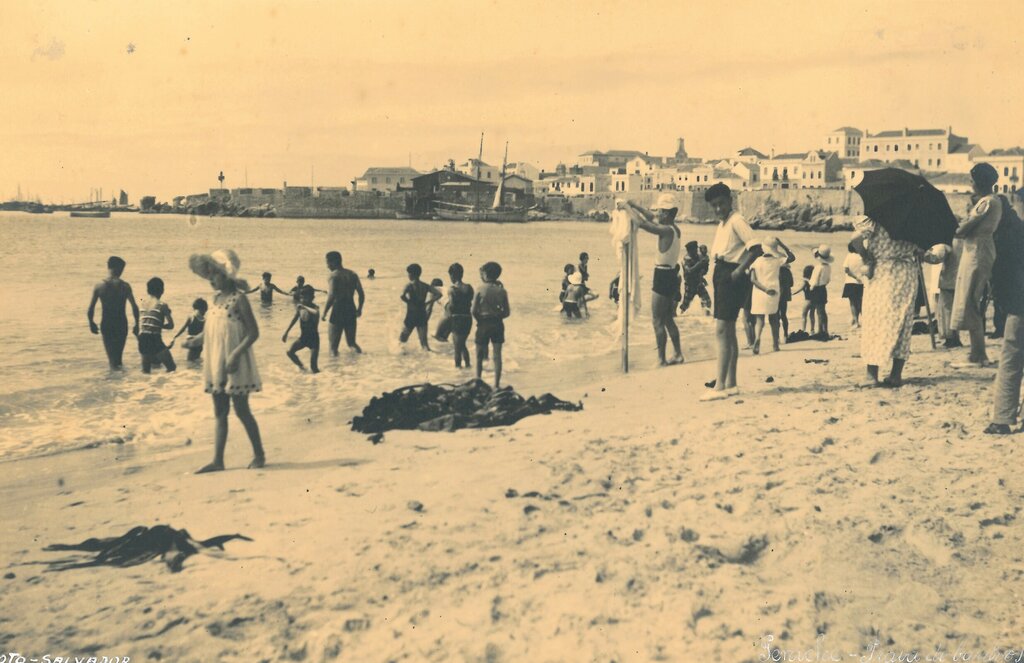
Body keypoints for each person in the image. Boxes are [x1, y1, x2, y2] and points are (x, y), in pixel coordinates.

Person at [187, 249, 266, 473]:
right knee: (219, 411)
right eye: (209, 274)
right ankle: (218, 460)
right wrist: (196, 340)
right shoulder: (214, 299)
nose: (211, 278)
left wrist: (235, 354)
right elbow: (213, 328)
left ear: (227, 276)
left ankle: (259, 454)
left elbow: (253, 332)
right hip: (216, 360)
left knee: (241, 410)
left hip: (235, 361)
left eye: (215, 274)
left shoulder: (239, 299)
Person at [849, 217, 941, 388]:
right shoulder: (916, 223)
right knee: (902, 322)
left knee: (876, 322)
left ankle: (872, 375)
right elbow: (925, 254)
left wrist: (865, 255)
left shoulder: (876, 219)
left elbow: (855, 239)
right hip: (906, 274)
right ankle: (895, 375)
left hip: (881, 272)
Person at [702, 183, 761, 400]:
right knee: (728, 331)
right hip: (722, 272)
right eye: (714, 206)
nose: (718, 209)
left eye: (721, 204)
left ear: (730, 200)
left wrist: (737, 272)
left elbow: (756, 248)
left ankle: (719, 387)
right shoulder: (724, 222)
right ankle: (731, 383)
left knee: (721, 330)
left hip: (730, 274)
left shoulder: (737, 220)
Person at [950, 162, 1003, 368]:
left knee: (971, 299)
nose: (970, 183)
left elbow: (964, 229)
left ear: (978, 181)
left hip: (978, 252)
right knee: (971, 299)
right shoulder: (990, 201)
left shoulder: (986, 203)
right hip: (976, 250)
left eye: (972, 179)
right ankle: (976, 352)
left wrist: (956, 224)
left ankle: (978, 354)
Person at [624, 193, 685, 366]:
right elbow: (651, 217)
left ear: (667, 213)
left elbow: (642, 223)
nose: (657, 213)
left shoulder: (665, 230)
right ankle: (678, 354)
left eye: (660, 211)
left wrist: (626, 208)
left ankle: (661, 359)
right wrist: (634, 205)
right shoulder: (674, 228)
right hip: (671, 274)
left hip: (663, 275)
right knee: (667, 319)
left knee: (657, 319)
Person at [984, 194, 1024, 434]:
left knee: (1010, 357)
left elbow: (1002, 271)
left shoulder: (1012, 232)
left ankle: (1002, 417)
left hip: (1019, 304)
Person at [87, 256, 140, 370]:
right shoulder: (125, 286)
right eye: (122, 269)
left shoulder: (99, 286)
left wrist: (91, 322)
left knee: (111, 359)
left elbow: (91, 308)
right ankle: (119, 381)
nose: (122, 272)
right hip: (121, 323)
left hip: (107, 323)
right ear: (118, 268)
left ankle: (113, 382)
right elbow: (134, 307)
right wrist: (137, 324)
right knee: (118, 358)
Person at [747, 236, 796, 354]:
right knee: (774, 319)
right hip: (774, 290)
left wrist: (764, 289)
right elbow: (792, 257)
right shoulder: (778, 260)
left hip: (759, 292)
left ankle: (757, 339)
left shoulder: (756, 262)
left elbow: (753, 280)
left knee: (760, 320)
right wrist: (781, 244)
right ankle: (775, 345)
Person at [473, 261, 510, 387]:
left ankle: (478, 381)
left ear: (485, 274)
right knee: (497, 356)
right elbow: (507, 313)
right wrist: (497, 315)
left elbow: (473, 310)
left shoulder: (480, 289)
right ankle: (496, 384)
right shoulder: (501, 291)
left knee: (479, 355)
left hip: (483, 322)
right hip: (497, 323)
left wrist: (479, 319)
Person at [322, 251, 365, 355]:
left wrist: (324, 312)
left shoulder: (334, 276)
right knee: (352, 343)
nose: (327, 266)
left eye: (328, 263)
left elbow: (331, 295)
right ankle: (361, 362)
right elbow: (361, 294)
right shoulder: (353, 274)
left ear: (334, 262)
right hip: (351, 308)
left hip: (339, 309)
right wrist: (359, 309)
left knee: (333, 347)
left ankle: (333, 370)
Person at [137, 277, 177, 373]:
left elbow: (144, 321)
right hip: (154, 338)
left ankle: (146, 387)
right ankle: (164, 386)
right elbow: (171, 325)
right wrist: (161, 324)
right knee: (171, 368)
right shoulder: (162, 305)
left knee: (145, 371)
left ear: (148, 290)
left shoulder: (142, 303)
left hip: (142, 338)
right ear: (162, 290)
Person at [399, 263, 442, 350]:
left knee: (402, 340)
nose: (408, 275)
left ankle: (401, 359)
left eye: (409, 273)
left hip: (411, 315)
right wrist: (428, 302)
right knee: (424, 343)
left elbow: (402, 295)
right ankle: (428, 360)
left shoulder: (409, 285)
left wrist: (409, 302)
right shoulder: (425, 286)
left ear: (412, 274)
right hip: (422, 314)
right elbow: (438, 294)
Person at [282, 285, 320, 373]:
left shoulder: (315, 307)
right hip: (303, 338)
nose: (303, 300)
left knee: (314, 367)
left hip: (314, 340)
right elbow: (294, 319)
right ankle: (302, 367)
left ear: (312, 298)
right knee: (289, 352)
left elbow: (316, 313)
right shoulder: (300, 308)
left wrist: (305, 307)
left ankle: (320, 381)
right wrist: (286, 332)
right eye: (302, 297)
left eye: (305, 297)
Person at [446, 263, 474, 369]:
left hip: (457, 319)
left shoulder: (452, 289)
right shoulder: (469, 287)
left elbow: (452, 306)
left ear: (452, 275)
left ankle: (458, 369)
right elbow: (470, 302)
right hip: (467, 318)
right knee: (462, 345)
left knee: (457, 347)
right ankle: (467, 367)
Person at [937, 239, 964, 348]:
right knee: (956, 309)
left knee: (947, 310)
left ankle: (950, 337)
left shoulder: (947, 242)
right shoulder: (965, 240)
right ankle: (956, 336)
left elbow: (937, 257)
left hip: (948, 280)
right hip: (961, 279)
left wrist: (924, 255)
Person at [171, 298, 208, 363]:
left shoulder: (191, 317)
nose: (205, 312)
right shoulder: (205, 320)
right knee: (196, 359)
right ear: (202, 309)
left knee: (190, 360)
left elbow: (183, 328)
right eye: (205, 311)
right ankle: (196, 370)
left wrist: (175, 336)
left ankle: (191, 371)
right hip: (199, 344)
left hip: (191, 342)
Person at [681, 240, 712, 315]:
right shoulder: (686, 259)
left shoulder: (697, 256)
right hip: (690, 284)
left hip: (699, 283)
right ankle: (679, 317)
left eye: (696, 249)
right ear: (690, 250)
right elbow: (689, 271)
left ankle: (705, 317)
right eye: (695, 250)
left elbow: (704, 270)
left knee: (707, 301)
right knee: (685, 305)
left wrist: (705, 265)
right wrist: (699, 264)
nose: (696, 251)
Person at [809, 245, 834, 336]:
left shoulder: (818, 267)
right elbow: (828, 280)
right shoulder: (828, 267)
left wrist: (811, 288)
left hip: (817, 289)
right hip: (823, 288)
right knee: (822, 310)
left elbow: (815, 280)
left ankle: (820, 330)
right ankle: (825, 329)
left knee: (818, 311)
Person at [842, 247, 867, 328]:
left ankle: (855, 321)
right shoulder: (862, 256)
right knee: (860, 302)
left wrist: (855, 277)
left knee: (852, 303)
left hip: (850, 282)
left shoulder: (849, 256)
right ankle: (864, 320)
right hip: (861, 282)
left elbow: (846, 270)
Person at [792, 265, 817, 334]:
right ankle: (812, 330)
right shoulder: (814, 282)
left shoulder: (805, 282)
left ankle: (803, 330)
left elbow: (800, 289)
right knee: (812, 315)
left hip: (807, 301)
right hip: (814, 300)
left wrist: (793, 293)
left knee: (804, 315)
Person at [778, 262, 794, 340]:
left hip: (777, 295)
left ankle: (776, 336)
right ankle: (785, 335)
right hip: (785, 295)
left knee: (776, 316)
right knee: (784, 315)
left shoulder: (776, 271)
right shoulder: (787, 271)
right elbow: (791, 283)